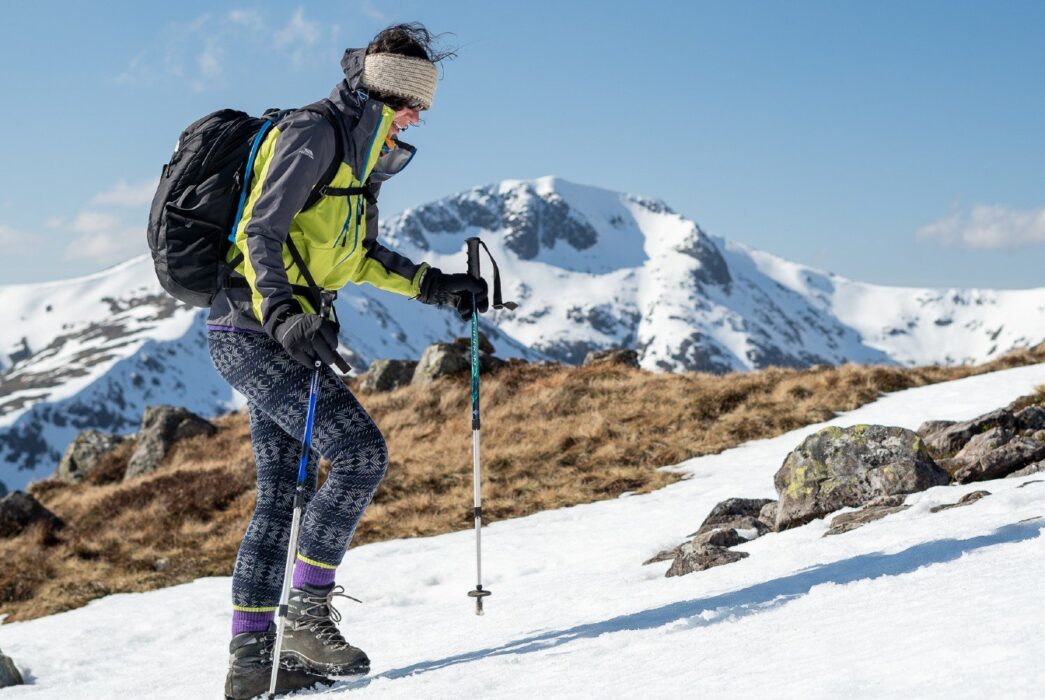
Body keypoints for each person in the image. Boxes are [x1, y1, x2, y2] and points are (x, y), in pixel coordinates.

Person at [207, 23, 488, 699]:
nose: (420, 118)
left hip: (292, 333)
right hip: (252, 331)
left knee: (280, 499)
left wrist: (431, 282)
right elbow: (261, 231)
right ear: (386, 95)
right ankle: (305, 618)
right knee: (360, 454)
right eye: (412, 104)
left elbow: (354, 254)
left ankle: (255, 667)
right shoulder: (316, 134)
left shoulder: (360, 156)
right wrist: (278, 311)